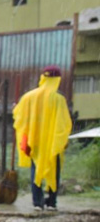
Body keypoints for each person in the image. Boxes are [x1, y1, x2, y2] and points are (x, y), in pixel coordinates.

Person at [13, 66, 72, 211]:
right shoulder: (59, 99)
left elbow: (19, 117)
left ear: (43, 78)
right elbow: (63, 123)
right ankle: (51, 202)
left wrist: (17, 109)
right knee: (53, 171)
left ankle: (37, 203)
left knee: (36, 170)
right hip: (52, 143)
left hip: (34, 142)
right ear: (57, 80)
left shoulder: (28, 97)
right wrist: (63, 140)